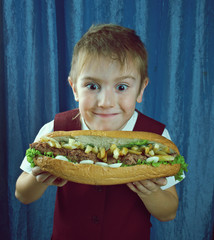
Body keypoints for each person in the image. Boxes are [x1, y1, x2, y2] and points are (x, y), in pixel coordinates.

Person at [15, 24, 184, 240]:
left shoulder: (157, 136)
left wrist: (150, 192)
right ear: (75, 88)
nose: (105, 103)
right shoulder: (55, 130)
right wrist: (38, 180)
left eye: (121, 87)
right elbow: (22, 194)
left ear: (141, 90)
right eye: (92, 86)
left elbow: (168, 213)